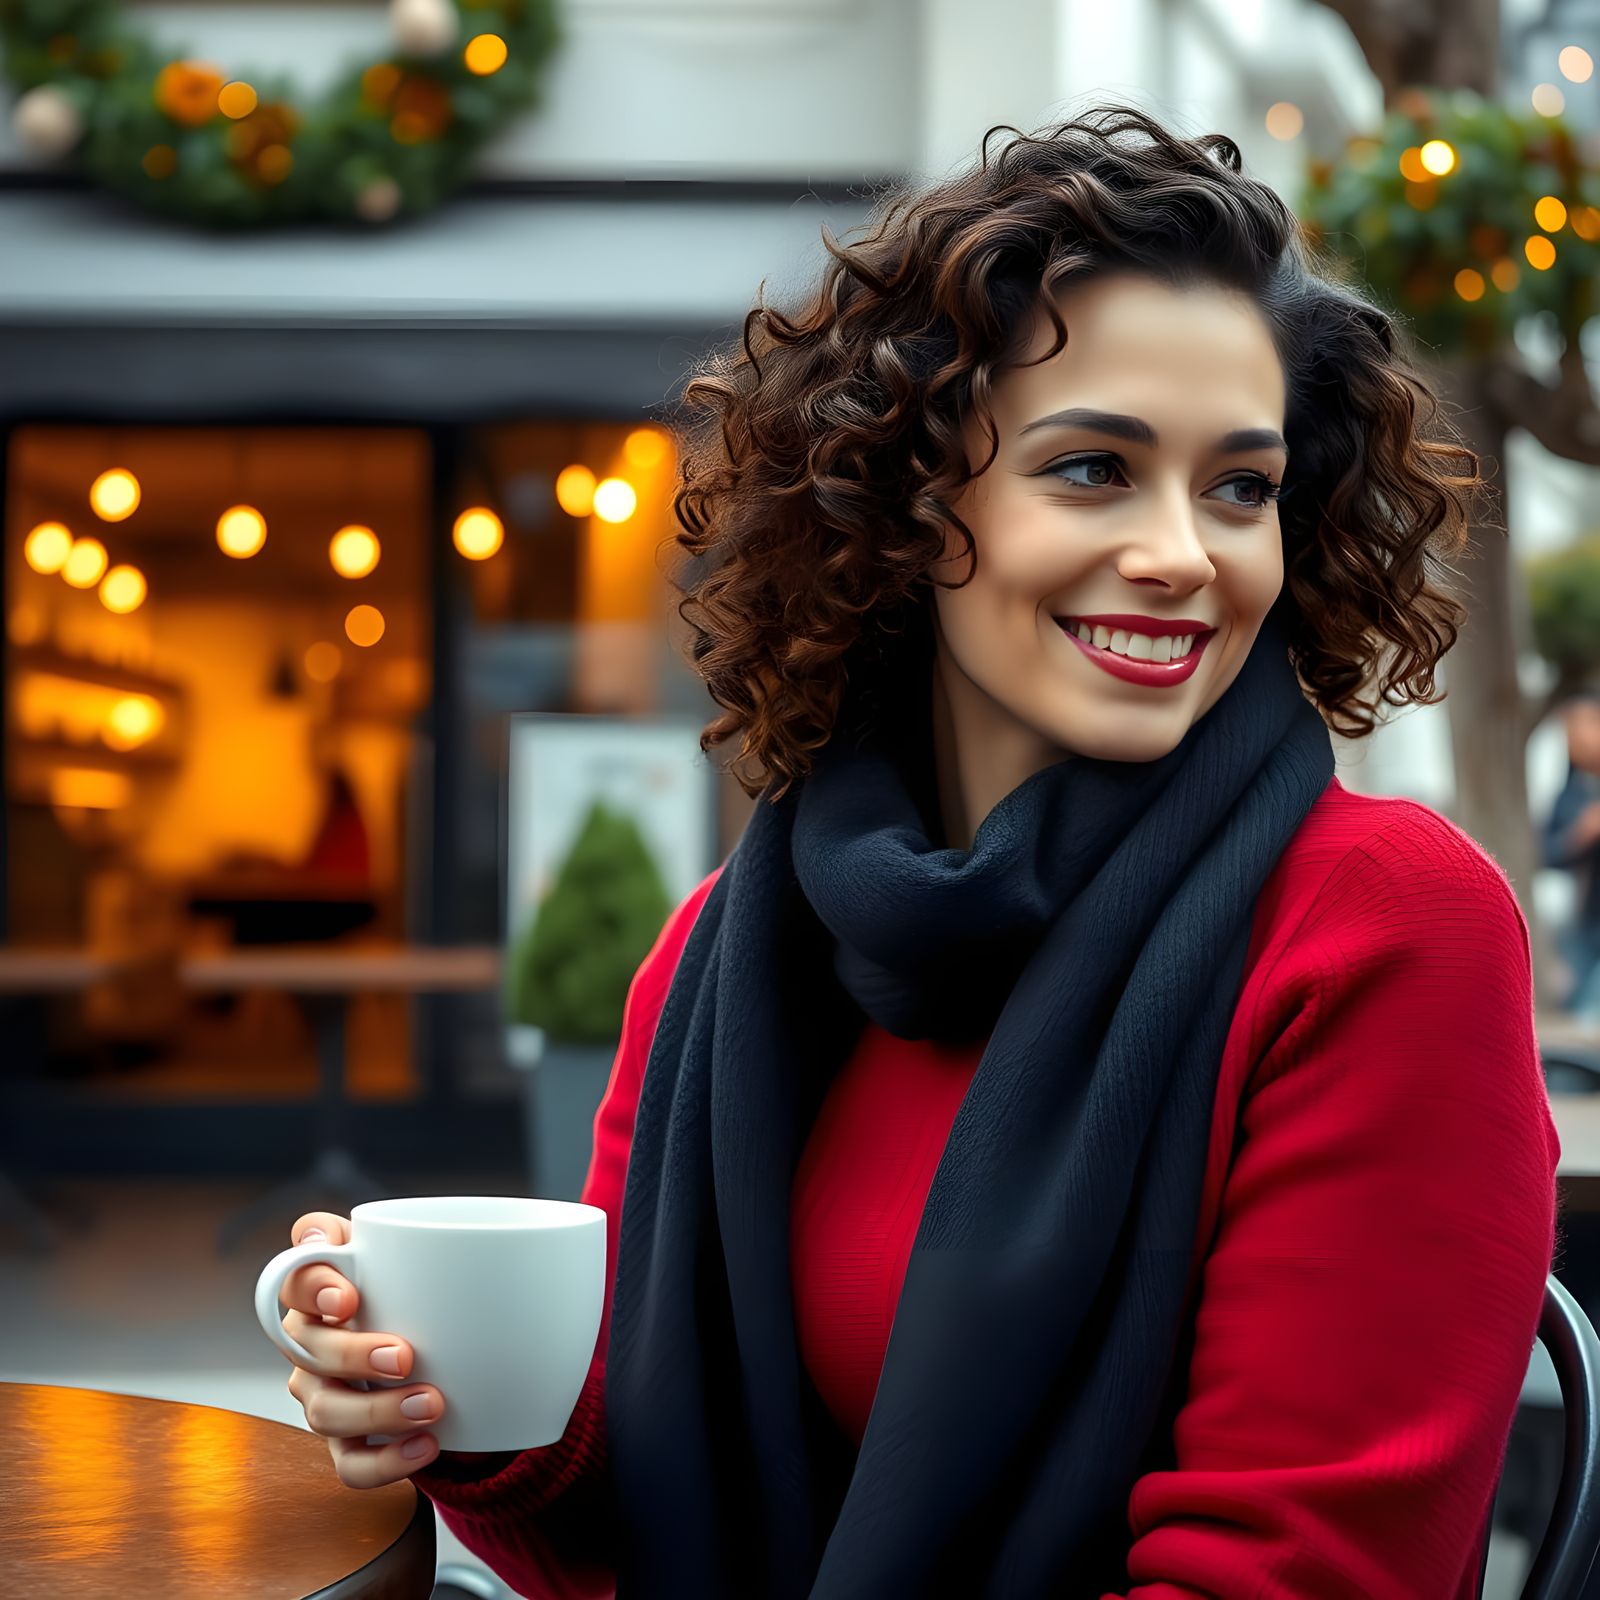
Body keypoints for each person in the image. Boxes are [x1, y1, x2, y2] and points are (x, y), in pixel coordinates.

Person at [271, 105, 1561, 1598]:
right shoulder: (725, 950)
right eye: (1094, 470)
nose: (1185, 552)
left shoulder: (1379, 927)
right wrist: (455, 1421)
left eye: (1242, 486)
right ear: (905, 502)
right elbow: (624, 1539)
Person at [1541, 688, 1600, 1021]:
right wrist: (1582, 833)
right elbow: (1549, 852)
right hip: (1585, 923)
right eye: (1569, 730)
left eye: (1584, 726)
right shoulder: (1572, 792)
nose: (1575, 737)